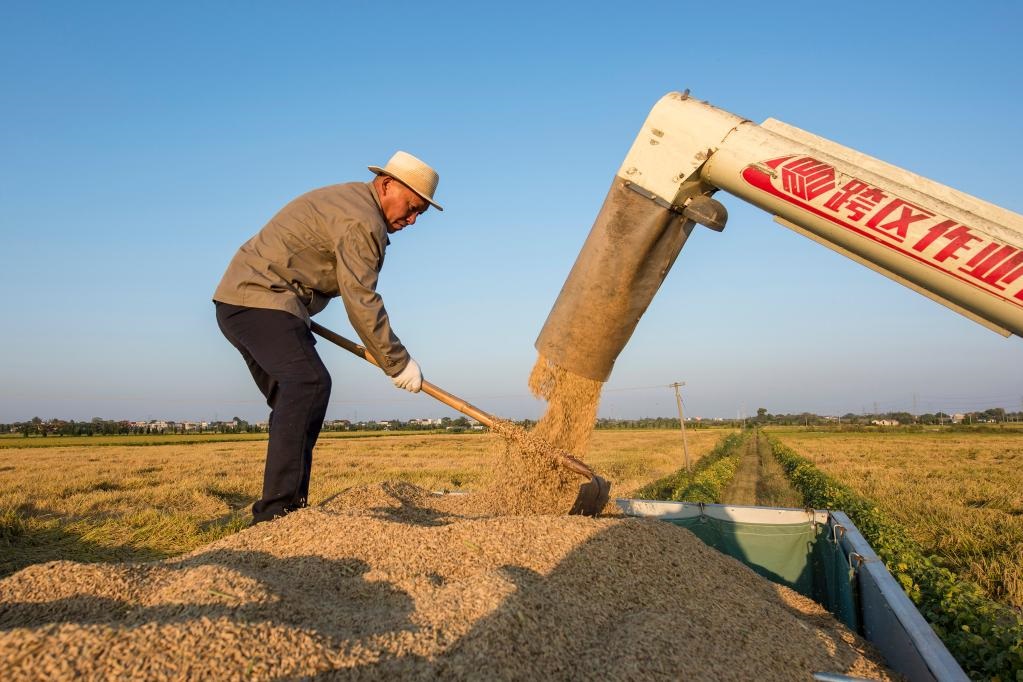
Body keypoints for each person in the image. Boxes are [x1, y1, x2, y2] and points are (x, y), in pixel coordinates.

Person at [213, 151, 442, 524]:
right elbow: (360, 298)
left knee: (296, 400)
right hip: (260, 300)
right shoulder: (362, 220)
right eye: (412, 207)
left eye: (421, 214)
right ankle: (277, 513)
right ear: (387, 185)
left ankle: (288, 509)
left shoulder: (353, 203)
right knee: (309, 384)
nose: (412, 220)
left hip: (247, 302)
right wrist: (397, 362)